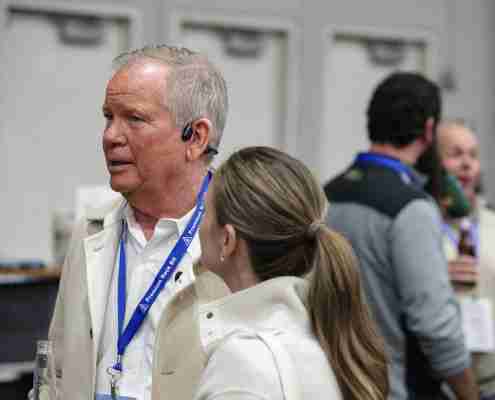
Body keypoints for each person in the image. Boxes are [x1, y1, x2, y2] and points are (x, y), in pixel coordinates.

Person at [46, 45, 229, 400]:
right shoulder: (91, 229)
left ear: (195, 138)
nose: (110, 136)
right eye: (108, 117)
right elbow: (57, 369)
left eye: (134, 119)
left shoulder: (240, 238)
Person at [324, 72, 478, 400]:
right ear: (429, 130)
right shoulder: (412, 208)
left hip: (330, 385)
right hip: (393, 388)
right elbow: (435, 327)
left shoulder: (326, 194)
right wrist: (470, 395)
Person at [193, 146, 388, 400]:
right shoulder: (326, 338)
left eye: (204, 212)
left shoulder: (244, 361)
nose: (198, 224)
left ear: (227, 240)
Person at [437, 120, 495, 399]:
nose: (466, 164)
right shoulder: (418, 225)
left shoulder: (493, 223)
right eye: (455, 154)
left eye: (473, 155)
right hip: (439, 386)